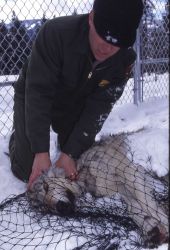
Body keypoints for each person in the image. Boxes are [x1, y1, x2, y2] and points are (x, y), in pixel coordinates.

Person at [9, 0, 144, 188]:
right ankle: (18, 135)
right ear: (91, 18)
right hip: (35, 91)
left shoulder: (124, 60)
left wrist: (70, 153)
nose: (106, 48)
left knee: (76, 159)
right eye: (102, 36)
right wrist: (40, 151)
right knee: (27, 168)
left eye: (117, 44)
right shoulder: (55, 33)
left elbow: (99, 108)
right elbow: (38, 93)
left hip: (77, 97)